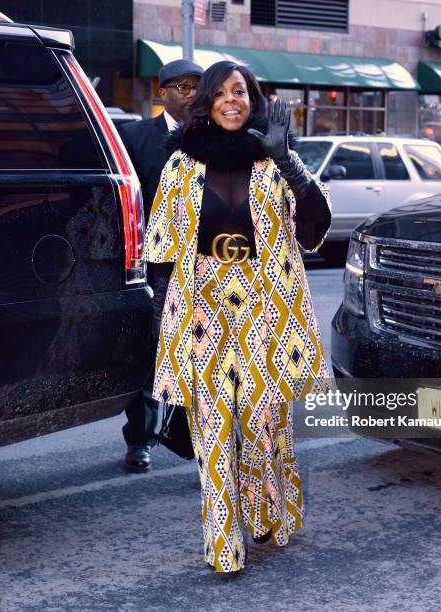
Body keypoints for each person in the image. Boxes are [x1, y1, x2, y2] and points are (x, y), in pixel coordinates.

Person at [143, 61, 332, 573]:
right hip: (201, 312)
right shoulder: (180, 164)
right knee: (212, 433)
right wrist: (166, 323)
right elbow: (159, 251)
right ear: (206, 101)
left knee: (261, 422)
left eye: (242, 92)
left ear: (254, 100)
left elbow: (315, 227)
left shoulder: (274, 161)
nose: (232, 100)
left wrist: (288, 161)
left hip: (266, 311)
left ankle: (267, 511)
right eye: (222, 92)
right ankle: (223, 545)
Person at [119, 58, 203, 472]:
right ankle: (141, 439)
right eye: (183, 87)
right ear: (161, 92)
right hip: (155, 267)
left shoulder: (215, 138)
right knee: (152, 353)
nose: (191, 94)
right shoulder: (134, 136)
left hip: (206, 264)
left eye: (197, 87)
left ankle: (203, 441)